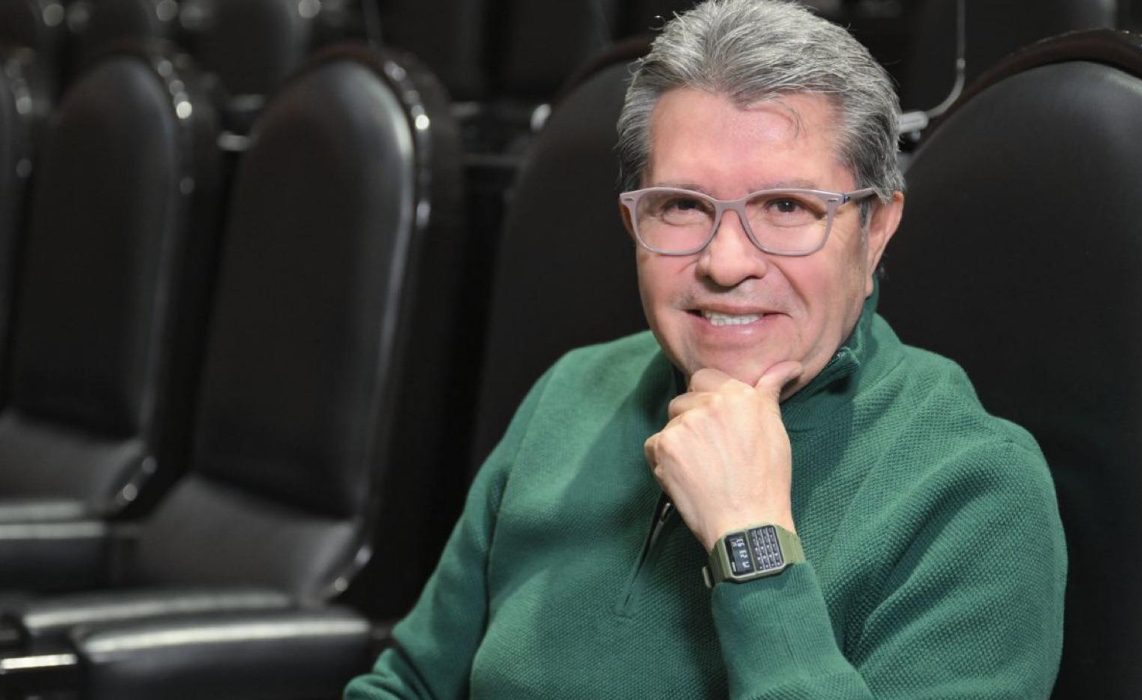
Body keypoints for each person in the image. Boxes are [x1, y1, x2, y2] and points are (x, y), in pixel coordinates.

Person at [346, 0, 1067, 697]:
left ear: (875, 228)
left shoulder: (976, 489)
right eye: (683, 206)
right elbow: (407, 685)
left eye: (786, 206)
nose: (725, 262)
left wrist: (751, 540)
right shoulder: (572, 390)